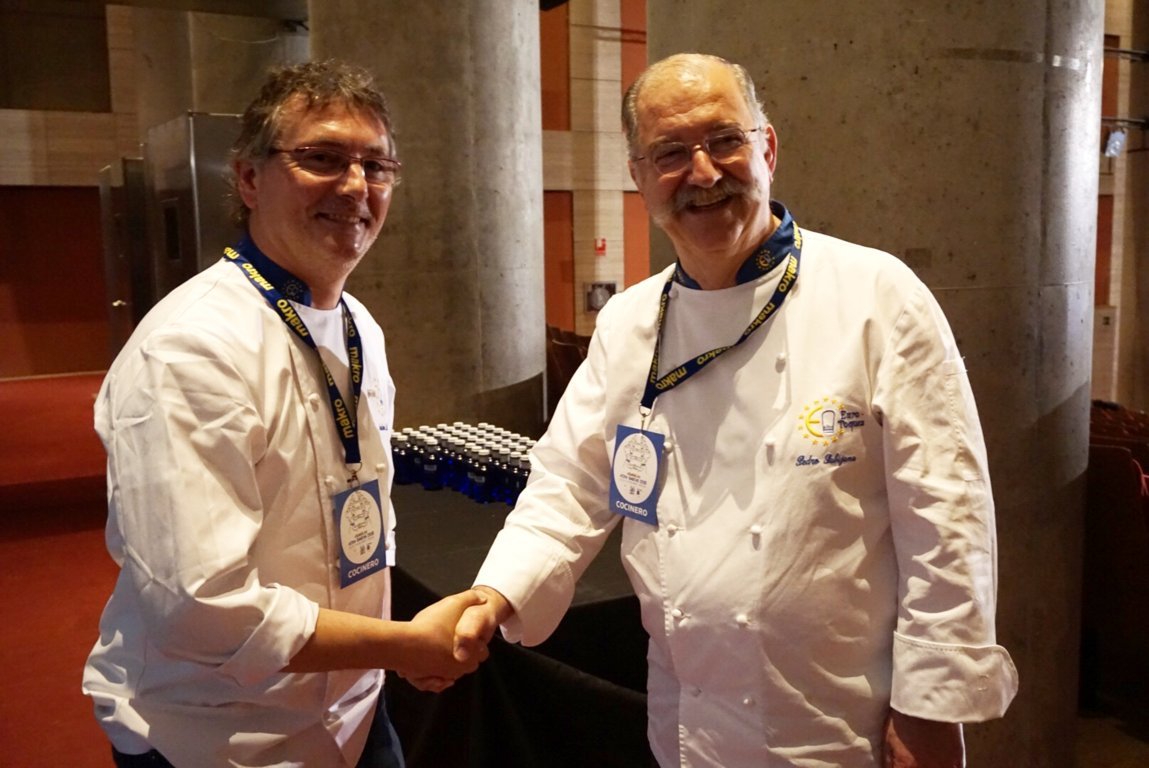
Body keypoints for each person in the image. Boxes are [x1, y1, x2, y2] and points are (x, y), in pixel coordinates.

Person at [449, 53, 1018, 766]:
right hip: (688, 722)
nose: (702, 172)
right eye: (669, 153)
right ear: (638, 177)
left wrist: (931, 704)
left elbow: (947, 514)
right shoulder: (630, 322)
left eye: (724, 140)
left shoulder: (877, 296)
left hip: (840, 720)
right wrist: (496, 593)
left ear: (766, 149)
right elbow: (569, 484)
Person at [82, 60, 487, 768]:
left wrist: (385, 653)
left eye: (376, 166)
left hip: (353, 711)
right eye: (322, 158)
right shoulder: (190, 347)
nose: (355, 186)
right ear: (248, 178)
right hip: (216, 734)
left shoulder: (359, 325)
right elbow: (200, 609)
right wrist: (403, 645)